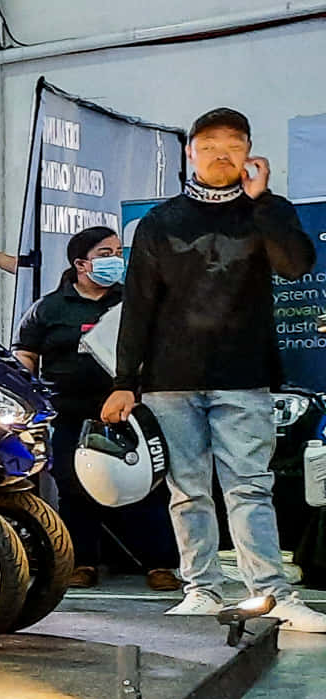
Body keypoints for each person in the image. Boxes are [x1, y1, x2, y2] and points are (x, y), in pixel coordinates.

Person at [102, 108, 326, 631]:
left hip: (244, 375)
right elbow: (138, 305)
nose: (220, 154)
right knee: (187, 490)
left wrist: (262, 201)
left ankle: (272, 593)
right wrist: (124, 382)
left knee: (250, 486)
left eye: (233, 145)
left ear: (249, 152)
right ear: (190, 153)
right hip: (169, 380)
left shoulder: (268, 210)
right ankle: (200, 588)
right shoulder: (161, 222)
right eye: (209, 145)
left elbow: (296, 265)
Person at [14, 227, 179, 590]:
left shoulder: (133, 300)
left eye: (118, 252)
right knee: (74, 487)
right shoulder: (48, 308)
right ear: (80, 264)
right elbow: (25, 354)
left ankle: (160, 564)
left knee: (147, 486)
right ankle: (83, 562)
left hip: (129, 411)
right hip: (70, 413)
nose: (115, 260)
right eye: (105, 254)